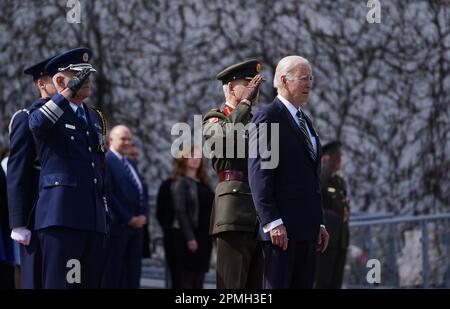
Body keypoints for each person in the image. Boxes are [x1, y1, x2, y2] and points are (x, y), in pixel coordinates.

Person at [28, 47, 107, 288]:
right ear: (60, 80)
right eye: (79, 75)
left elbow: (98, 164)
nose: (87, 81)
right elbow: (37, 125)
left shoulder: (93, 116)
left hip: (92, 218)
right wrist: (66, 92)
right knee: (60, 284)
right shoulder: (46, 111)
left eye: (88, 75)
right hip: (62, 216)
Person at [248, 55, 329, 289]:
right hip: (281, 233)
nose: (309, 84)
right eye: (304, 78)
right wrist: (272, 221)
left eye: (311, 78)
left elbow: (310, 177)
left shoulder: (305, 121)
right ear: (283, 80)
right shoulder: (268, 118)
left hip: (307, 231)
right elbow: (260, 175)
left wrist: (320, 223)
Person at [202, 59, 264, 288]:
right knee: (232, 287)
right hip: (233, 212)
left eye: (256, 86)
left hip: (260, 213)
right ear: (230, 88)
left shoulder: (257, 121)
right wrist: (245, 102)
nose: (255, 91)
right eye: (248, 85)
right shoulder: (214, 118)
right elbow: (228, 139)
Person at [7, 55, 58, 289]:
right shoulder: (27, 118)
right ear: (41, 84)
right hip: (36, 214)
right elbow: (18, 170)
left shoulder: (71, 120)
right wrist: (18, 222)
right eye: (56, 80)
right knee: (36, 279)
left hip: (61, 212)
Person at [101, 125, 148, 288]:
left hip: (135, 230)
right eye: (123, 139)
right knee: (114, 276)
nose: (128, 142)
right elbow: (109, 193)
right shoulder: (107, 160)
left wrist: (143, 215)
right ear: (110, 140)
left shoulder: (130, 163)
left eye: (129, 139)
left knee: (132, 276)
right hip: (118, 228)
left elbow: (141, 190)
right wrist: (128, 218)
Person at [171, 147, 214, 289]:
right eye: (191, 156)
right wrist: (190, 238)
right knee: (187, 280)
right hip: (190, 236)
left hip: (205, 237)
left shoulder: (204, 184)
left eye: (198, 156)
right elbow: (181, 211)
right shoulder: (181, 183)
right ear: (183, 159)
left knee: (199, 279)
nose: (196, 159)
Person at [315, 141, 350, 289]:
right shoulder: (322, 176)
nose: (338, 161)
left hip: (340, 236)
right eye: (335, 157)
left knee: (336, 280)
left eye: (339, 158)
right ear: (326, 158)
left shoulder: (339, 180)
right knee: (324, 279)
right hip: (328, 235)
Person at [156, 175, 181, 288]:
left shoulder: (201, 183)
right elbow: (160, 212)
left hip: (197, 236)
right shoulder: (167, 184)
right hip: (172, 235)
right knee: (176, 276)